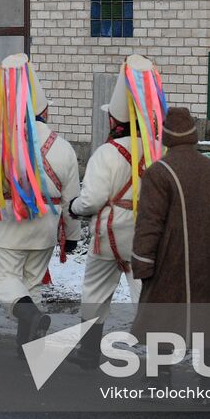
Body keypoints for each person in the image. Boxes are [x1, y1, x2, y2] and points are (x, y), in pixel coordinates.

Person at [0, 54, 80, 347]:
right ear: (44, 111)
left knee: (3, 280)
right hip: (48, 226)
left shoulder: (2, 143)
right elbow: (73, 197)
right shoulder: (63, 147)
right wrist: (70, 236)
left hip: (12, 220)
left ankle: (32, 317)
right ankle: (29, 346)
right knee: (32, 283)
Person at [68, 54, 163, 367]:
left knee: (95, 291)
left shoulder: (106, 153)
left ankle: (88, 352)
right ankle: (157, 357)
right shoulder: (157, 150)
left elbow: (92, 199)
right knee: (144, 295)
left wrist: (74, 207)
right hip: (144, 234)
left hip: (108, 235)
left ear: (114, 121)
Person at [130, 105, 210, 352]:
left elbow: (150, 223)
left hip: (172, 263)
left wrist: (143, 262)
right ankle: (209, 382)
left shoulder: (159, 173)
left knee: (162, 325)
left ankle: (158, 382)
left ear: (167, 136)